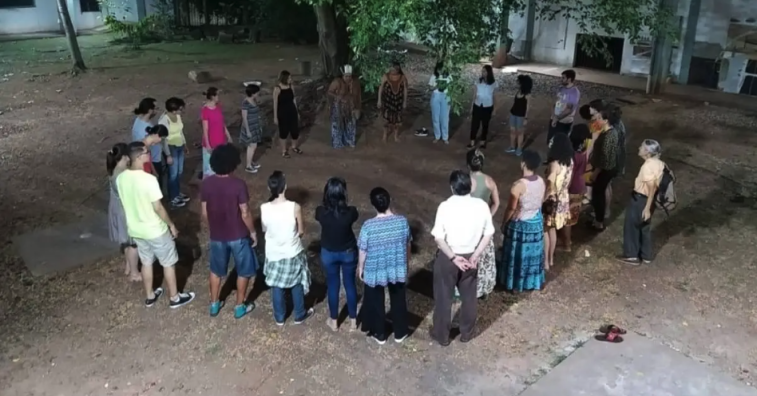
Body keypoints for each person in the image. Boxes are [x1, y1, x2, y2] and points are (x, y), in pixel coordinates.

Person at [116, 142, 196, 308]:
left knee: (146, 262)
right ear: (138, 157)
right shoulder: (149, 180)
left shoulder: (121, 178)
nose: (149, 154)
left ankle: (150, 296)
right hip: (155, 230)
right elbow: (158, 207)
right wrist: (171, 225)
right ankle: (174, 298)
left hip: (137, 230)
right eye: (146, 152)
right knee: (168, 263)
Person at [430, 171, 495, 346]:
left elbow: (438, 237)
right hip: (471, 257)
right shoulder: (481, 206)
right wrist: (475, 255)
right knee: (469, 297)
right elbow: (488, 233)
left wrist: (453, 258)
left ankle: (441, 335)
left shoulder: (445, 207)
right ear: (470, 186)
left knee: (444, 297)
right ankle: (467, 332)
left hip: (449, 257)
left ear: (452, 187)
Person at [201, 144, 259, 319]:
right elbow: (245, 212)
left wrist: (213, 227)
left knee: (216, 270)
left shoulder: (206, 184)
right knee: (243, 270)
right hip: (238, 235)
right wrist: (253, 232)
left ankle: (214, 303)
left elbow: (204, 212)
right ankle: (240, 306)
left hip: (217, 235)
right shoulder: (238, 185)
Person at [358, 187, 412, 344]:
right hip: (397, 266)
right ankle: (400, 332)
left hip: (376, 268)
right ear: (390, 201)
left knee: (376, 300)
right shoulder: (402, 222)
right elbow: (408, 243)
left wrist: (361, 267)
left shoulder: (368, 226)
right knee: (399, 299)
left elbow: (363, 250)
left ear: (373, 205)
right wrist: (406, 262)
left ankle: (379, 333)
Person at [261, 171, 314, 325]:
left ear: (268, 188)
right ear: (285, 187)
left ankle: (279, 317)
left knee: (276, 285)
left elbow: (265, 229)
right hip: (292, 251)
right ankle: (299, 314)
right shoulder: (294, 207)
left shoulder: (264, 208)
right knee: (296, 283)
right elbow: (301, 231)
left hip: (273, 253)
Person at [498, 150, 546, 292]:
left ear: (523, 163)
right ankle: (531, 282)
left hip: (522, 226)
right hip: (536, 223)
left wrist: (504, 223)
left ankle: (515, 284)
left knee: (518, 256)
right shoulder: (541, 181)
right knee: (532, 256)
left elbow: (511, 208)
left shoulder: (518, 185)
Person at [315, 177, 359, 332]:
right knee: (350, 285)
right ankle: (353, 322)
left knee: (333, 285)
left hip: (329, 252)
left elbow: (319, 214)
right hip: (348, 252)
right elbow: (354, 214)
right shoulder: (350, 212)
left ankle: (334, 321)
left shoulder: (321, 212)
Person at [619, 140, 664, 265]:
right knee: (644, 227)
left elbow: (652, 187)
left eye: (642, 147)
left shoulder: (647, 167)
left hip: (641, 199)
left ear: (647, 152)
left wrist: (647, 208)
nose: (639, 148)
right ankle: (646, 255)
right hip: (649, 199)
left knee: (632, 226)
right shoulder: (660, 164)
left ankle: (631, 255)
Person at [466, 149, 500, 298]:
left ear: (468, 164)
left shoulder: (465, 181)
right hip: (483, 226)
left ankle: (466, 286)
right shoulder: (489, 181)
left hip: (467, 224)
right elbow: (496, 203)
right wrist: (488, 216)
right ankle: (483, 287)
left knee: (467, 255)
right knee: (483, 256)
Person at [106, 143, 140, 282]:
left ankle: (128, 266)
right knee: (133, 243)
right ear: (125, 157)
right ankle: (134, 273)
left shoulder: (114, 170)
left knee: (125, 242)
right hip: (124, 211)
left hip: (116, 208)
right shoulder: (122, 176)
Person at [587, 101, 620, 231]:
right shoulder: (612, 132)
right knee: (598, 194)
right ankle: (597, 220)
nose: (597, 120)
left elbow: (604, 158)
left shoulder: (608, 136)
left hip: (604, 170)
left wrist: (595, 173)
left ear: (606, 120)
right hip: (607, 169)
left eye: (600, 118)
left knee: (598, 196)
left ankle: (599, 222)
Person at [543, 133, 573, 270]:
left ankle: (545, 262)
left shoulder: (554, 164)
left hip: (552, 200)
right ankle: (551, 259)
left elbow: (550, 184)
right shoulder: (570, 161)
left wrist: (543, 199)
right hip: (563, 198)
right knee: (553, 229)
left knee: (545, 230)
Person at [158, 97, 190, 208]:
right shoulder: (164, 120)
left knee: (179, 171)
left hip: (179, 146)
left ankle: (177, 192)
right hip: (171, 147)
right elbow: (163, 139)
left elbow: (180, 131)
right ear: (173, 110)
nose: (182, 111)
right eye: (180, 109)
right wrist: (168, 155)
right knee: (173, 174)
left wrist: (185, 144)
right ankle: (173, 197)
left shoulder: (177, 116)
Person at [562, 124, 590, 251]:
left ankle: (567, 244)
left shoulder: (572, 155)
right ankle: (568, 240)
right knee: (572, 216)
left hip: (572, 187)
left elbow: (570, 174)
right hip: (580, 185)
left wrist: (565, 189)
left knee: (567, 217)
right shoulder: (583, 151)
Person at [132, 98, 170, 185]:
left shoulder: (141, 120)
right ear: (150, 110)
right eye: (156, 108)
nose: (157, 110)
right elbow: (146, 150)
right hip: (153, 161)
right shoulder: (142, 130)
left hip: (153, 159)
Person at [327, 65, 362, 149]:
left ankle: (349, 141)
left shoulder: (355, 82)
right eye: (346, 76)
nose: (348, 78)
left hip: (351, 106)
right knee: (337, 124)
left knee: (351, 124)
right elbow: (329, 92)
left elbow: (358, 96)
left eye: (349, 76)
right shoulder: (337, 82)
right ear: (343, 75)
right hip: (338, 106)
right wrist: (337, 96)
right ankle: (337, 143)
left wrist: (358, 107)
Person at [201, 87, 233, 177]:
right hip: (211, 141)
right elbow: (205, 129)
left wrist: (228, 135)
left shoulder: (218, 107)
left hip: (220, 140)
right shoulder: (205, 110)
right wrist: (207, 144)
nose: (219, 97)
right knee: (208, 167)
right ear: (212, 96)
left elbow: (222, 123)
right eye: (217, 95)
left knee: (219, 165)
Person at [273, 70, 303, 158]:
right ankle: (284, 150)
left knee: (295, 131)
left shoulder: (291, 86)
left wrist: (297, 112)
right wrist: (275, 117)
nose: (291, 79)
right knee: (283, 132)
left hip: (292, 111)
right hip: (282, 113)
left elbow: (294, 100)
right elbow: (275, 103)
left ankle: (294, 147)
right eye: (289, 78)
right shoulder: (277, 89)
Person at [468, 65, 498, 149]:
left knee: (485, 124)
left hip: (488, 106)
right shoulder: (478, 81)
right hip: (478, 104)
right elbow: (475, 94)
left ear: (489, 72)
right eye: (482, 71)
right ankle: (472, 141)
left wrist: (495, 109)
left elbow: (495, 96)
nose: (483, 73)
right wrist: (471, 106)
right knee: (474, 124)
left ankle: (482, 141)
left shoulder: (494, 83)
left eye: (485, 71)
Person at [377, 62, 408, 143]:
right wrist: (379, 100)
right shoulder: (385, 76)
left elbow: (405, 90)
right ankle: (385, 135)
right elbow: (381, 88)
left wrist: (405, 101)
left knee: (397, 120)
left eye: (394, 69)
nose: (392, 70)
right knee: (386, 119)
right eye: (391, 69)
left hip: (398, 102)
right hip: (387, 101)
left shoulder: (403, 77)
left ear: (397, 69)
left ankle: (395, 136)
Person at [548, 69, 580, 146]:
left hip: (564, 122)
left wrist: (557, 118)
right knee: (551, 142)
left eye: (563, 78)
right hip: (555, 119)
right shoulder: (561, 88)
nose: (561, 79)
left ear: (569, 79)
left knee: (559, 144)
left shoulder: (574, 92)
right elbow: (555, 103)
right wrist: (553, 116)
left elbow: (569, 109)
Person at [506, 74, 532, 156]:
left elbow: (527, 107)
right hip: (513, 113)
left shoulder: (527, 95)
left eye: (519, 82)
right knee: (512, 130)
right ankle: (512, 146)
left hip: (521, 115)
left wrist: (526, 118)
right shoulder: (518, 92)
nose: (517, 83)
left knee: (520, 132)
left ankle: (519, 148)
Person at [240, 84, 263, 173]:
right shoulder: (245, 103)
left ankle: (251, 162)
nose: (258, 94)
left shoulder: (254, 100)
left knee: (253, 145)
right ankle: (248, 166)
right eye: (257, 92)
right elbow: (244, 118)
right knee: (252, 146)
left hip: (255, 125)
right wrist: (248, 131)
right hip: (249, 126)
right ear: (253, 93)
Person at [428, 61, 451, 144]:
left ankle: (445, 137)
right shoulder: (434, 76)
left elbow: (452, 88)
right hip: (436, 96)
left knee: (444, 117)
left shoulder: (449, 76)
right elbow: (430, 87)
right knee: (435, 117)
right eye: (439, 69)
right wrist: (436, 86)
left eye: (442, 69)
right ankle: (437, 136)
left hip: (445, 96)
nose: (440, 71)